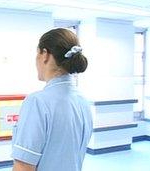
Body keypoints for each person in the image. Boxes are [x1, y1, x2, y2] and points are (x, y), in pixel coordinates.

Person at [11, 28, 93, 171]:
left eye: (37, 53)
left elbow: (23, 167)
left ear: (44, 55)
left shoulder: (37, 102)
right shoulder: (83, 101)